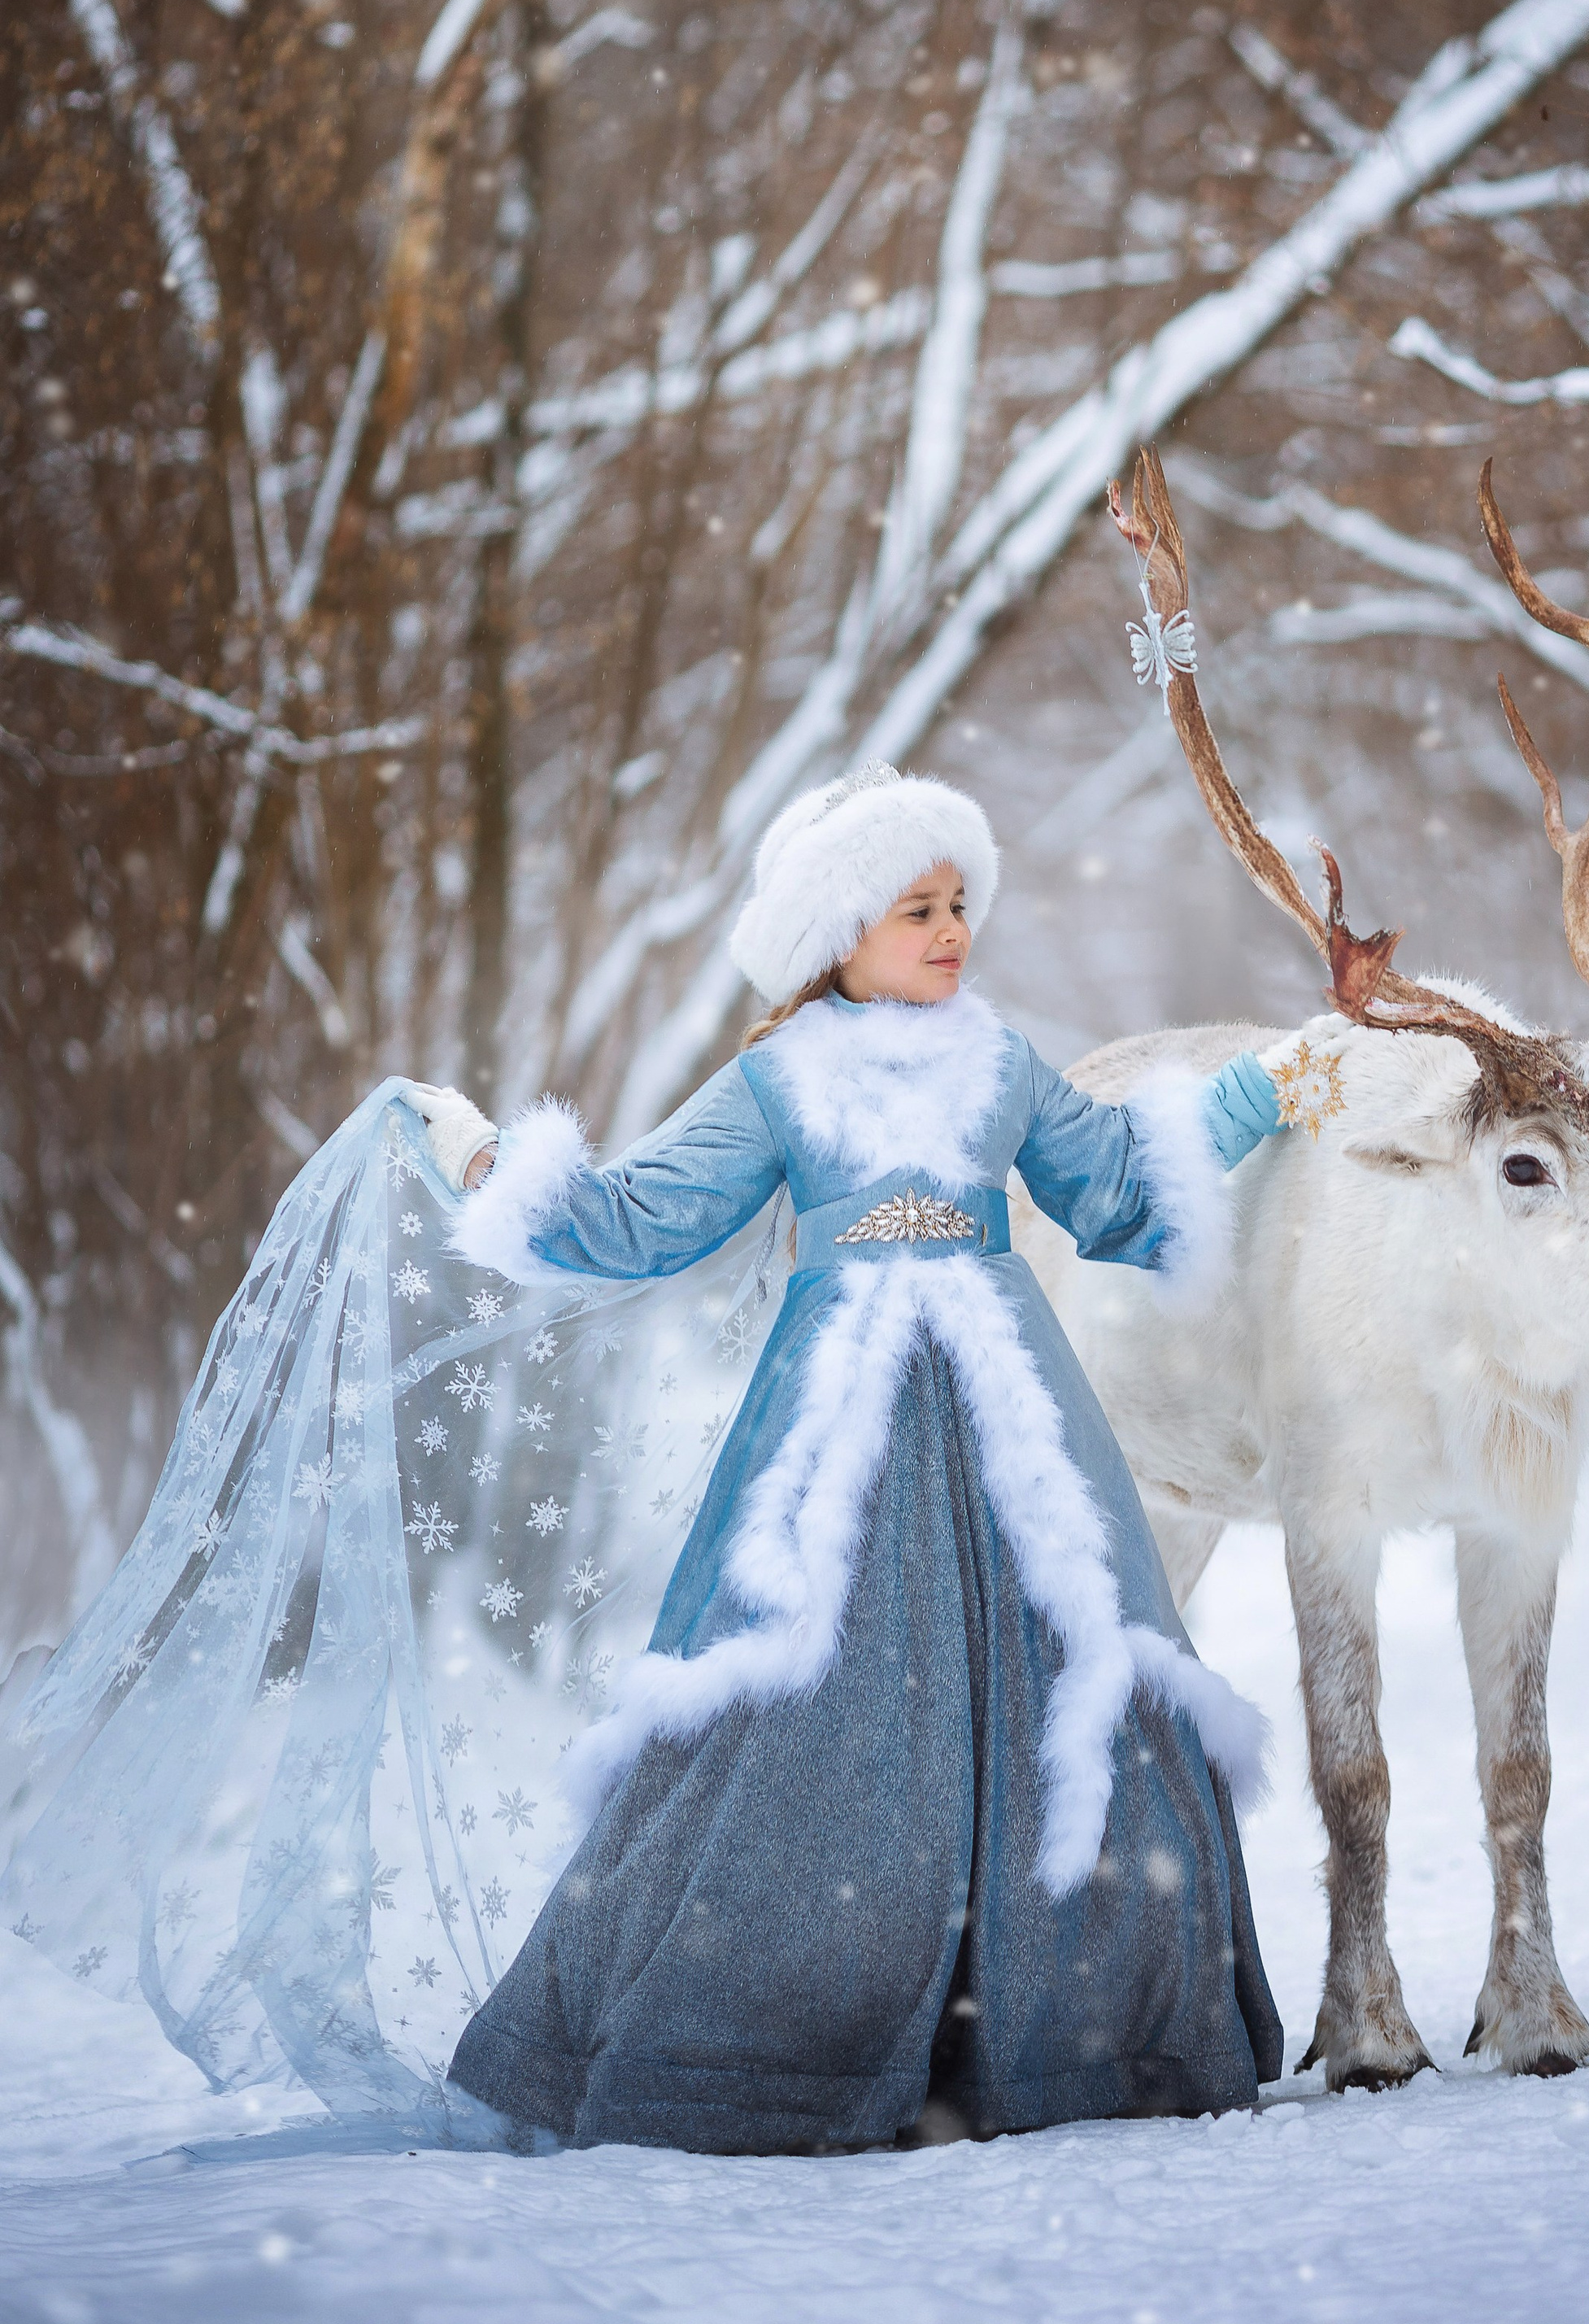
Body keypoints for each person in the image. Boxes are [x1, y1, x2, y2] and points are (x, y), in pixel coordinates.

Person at [415, 761, 1320, 2153]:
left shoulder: (1002, 1059)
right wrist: (496, 1173)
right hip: (840, 1423)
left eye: (961, 901)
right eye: (917, 907)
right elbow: (639, 1218)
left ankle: (1071, 2029)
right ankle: (780, 2035)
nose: (954, 929)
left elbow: (1123, 1192)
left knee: (1068, 1673)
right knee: (817, 1704)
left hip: (1016, 1412)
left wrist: (1260, 1090)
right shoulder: (779, 1078)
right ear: (840, 932)